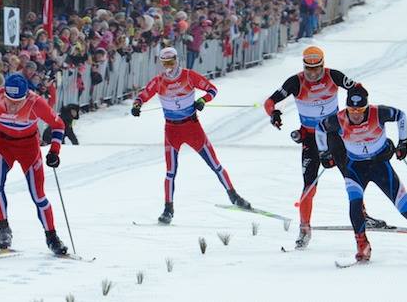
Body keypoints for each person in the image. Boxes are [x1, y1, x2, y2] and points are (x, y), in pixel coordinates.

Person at [263, 46, 387, 249]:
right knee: (309, 185)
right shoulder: (296, 81)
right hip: (310, 139)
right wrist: (273, 114)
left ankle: (363, 216)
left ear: (322, 65)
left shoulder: (333, 75)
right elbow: (269, 102)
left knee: (352, 177)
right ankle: (304, 229)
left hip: (335, 136)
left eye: (317, 69)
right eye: (309, 69)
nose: (313, 74)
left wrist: (357, 102)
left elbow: (359, 89)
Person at [315, 84, 407, 263]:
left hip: (380, 166)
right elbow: (320, 128)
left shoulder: (378, 113)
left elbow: (401, 116)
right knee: (355, 204)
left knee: (406, 209)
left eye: (360, 110)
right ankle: (362, 245)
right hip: (355, 168)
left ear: (366, 107)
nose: (356, 114)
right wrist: (323, 153)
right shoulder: (339, 119)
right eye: (352, 109)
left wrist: (403, 142)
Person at [131, 47, 252, 224]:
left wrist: (203, 100)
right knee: (171, 172)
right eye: (165, 64)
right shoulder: (158, 81)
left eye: (171, 63)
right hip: (172, 131)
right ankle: (168, 209)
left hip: (193, 128)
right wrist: (136, 105)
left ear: (177, 60)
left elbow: (212, 89)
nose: (169, 68)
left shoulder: (188, 76)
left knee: (215, 165)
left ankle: (234, 195)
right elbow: (143, 95)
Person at [0, 74, 69, 255]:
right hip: (2, 145)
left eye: (18, 101)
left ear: (26, 96)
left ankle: (52, 237)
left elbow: (59, 125)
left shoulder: (37, 103)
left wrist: (54, 151)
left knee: (38, 196)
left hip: (28, 148)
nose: (12, 105)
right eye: (9, 100)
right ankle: (4, 229)